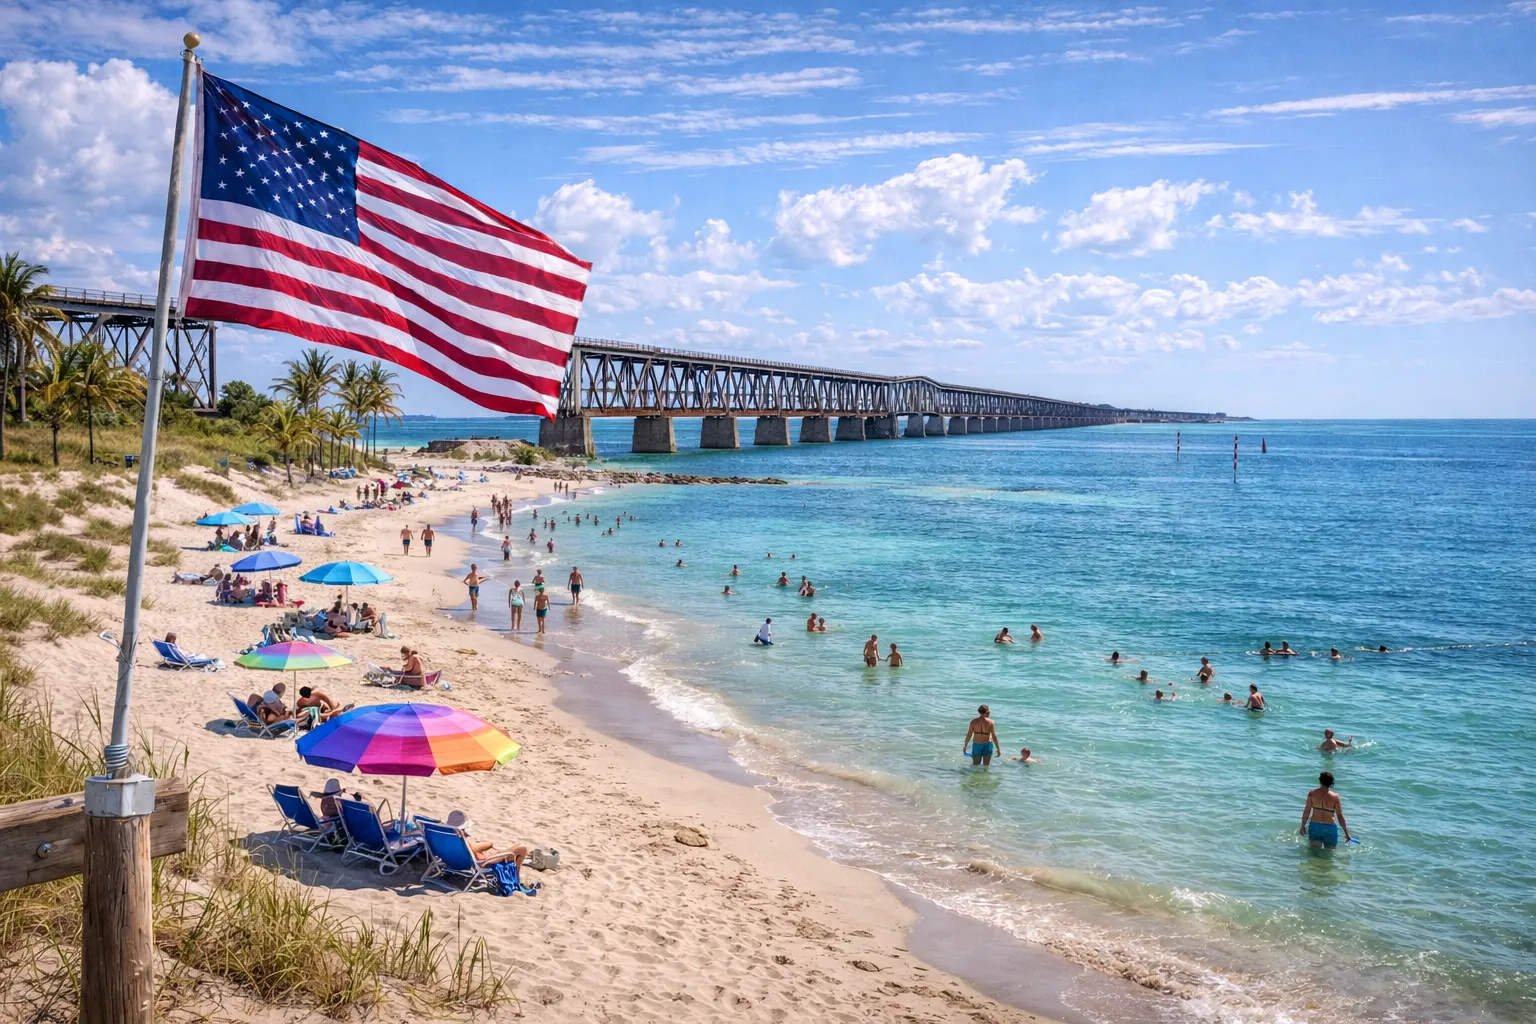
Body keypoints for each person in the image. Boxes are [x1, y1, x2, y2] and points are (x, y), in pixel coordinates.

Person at [1299, 771, 1352, 849]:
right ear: (1331, 783)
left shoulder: (1312, 793)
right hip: (1329, 827)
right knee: (1329, 854)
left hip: (1315, 826)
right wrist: (1346, 834)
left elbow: (1307, 811)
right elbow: (1340, 816)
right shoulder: (1335, 797)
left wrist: (1302, 825)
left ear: (1320, 780)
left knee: (1314, 852)